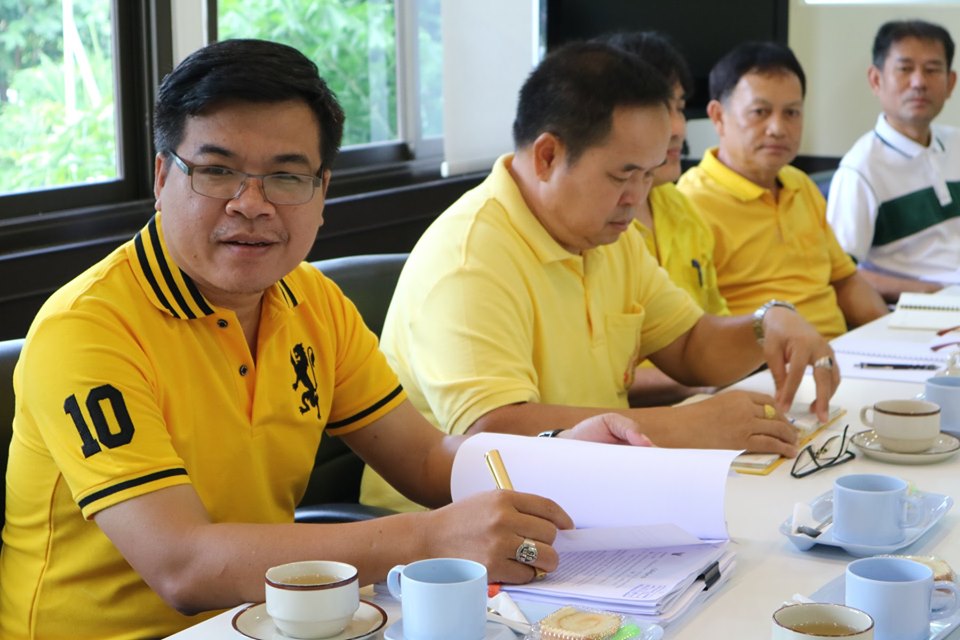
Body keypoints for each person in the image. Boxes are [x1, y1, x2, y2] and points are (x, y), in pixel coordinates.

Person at [0, 39, 655, 640]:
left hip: (267, 622)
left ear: (322, 193)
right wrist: (427, 538)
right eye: (217, 171)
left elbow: (427, 460)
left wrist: (559, 456)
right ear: (162, 178)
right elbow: (183, 564)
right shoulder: (86, 329)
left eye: (287, 177)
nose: (251, 203)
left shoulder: (312, 301)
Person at [363, 42, 840, 513]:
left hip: (587, 495)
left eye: (649, 175)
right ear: (547, 156)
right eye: (622, 176)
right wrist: (686, 427)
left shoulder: (607, 236)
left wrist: (765, 325)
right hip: (448, 535)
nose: (637, 197)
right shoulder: (469, 260)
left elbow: (690, 345)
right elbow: (494, 434)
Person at [677, 41, 888, 340]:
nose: (777, 128)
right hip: (762, 360)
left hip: (839, 352)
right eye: (759, 112)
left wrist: (892, 338)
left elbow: (846, 281)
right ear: (718, 116)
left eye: (791, 113)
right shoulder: (690, 203)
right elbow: (694, 327)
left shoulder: (800, 184)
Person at [602, 31, 730, 407]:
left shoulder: (682, 207)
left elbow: (710, 328)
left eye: (679, 107)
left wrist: (766, 328)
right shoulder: (591, 226)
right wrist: (699, 383)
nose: (677, 128)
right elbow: (594, 376)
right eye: (659, 110)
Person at [826, 20, 959, 303]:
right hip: (922, 310)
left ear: (950, 83)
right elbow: (838, 273)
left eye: (932, 70)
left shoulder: (956, 144)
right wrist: (929, 292)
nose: (919, 82)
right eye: (905, 69)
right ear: (876, 80)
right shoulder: (860, 169)